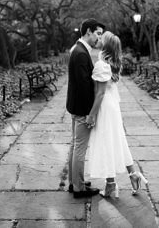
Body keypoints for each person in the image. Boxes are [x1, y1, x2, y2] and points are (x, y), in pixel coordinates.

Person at [86, 31, 148, 198]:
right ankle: (133, 174)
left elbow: (99, 94)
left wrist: (91, 115)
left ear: (106, 45)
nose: (98, 39)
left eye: (101, 39)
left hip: (105, 106)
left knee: (107, 142)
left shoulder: (101, 64)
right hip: (113, 106)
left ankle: (111, 184)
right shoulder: (113, 63)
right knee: (118, 140)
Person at [66, 18, 105, 198]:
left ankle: (75, 182)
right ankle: (79, 188)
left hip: (74, 106)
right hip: (81, 109)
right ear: (88, 31)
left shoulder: (77, 49)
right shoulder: (81, 52)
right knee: (80, 148)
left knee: (75, 146)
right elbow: (84, 87)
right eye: (97, 33)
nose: (99, 38)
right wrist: (91, 113)